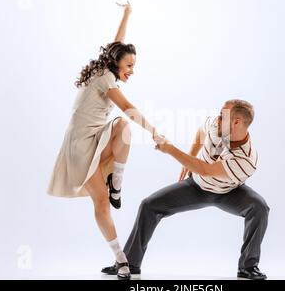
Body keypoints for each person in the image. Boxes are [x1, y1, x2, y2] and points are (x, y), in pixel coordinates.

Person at [47, 1, 158, 280]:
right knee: (101, 204)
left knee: (122, 128)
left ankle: (116, 183)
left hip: (98, 137)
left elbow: (116, 44)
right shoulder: (105, 78)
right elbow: (128, 107)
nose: (132, 70)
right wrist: (155, 131)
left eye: (134, 65)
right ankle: (121, 259)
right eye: (130, 65)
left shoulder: (109, 65)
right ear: (117, 63)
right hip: (79, 147)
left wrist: (127, 14)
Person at [102, 100, 270, 280]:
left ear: (236, 122)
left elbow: (205, 169)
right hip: (197, 187)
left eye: (222, 116)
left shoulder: (247, 159)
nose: (218, 119)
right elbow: (201, 132)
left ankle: (248, 267)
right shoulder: (217, 125)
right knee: (149, 205)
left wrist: (170, 149)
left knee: (259, 207)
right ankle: (130, 264)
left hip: (228, 193)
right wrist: (190, 158)